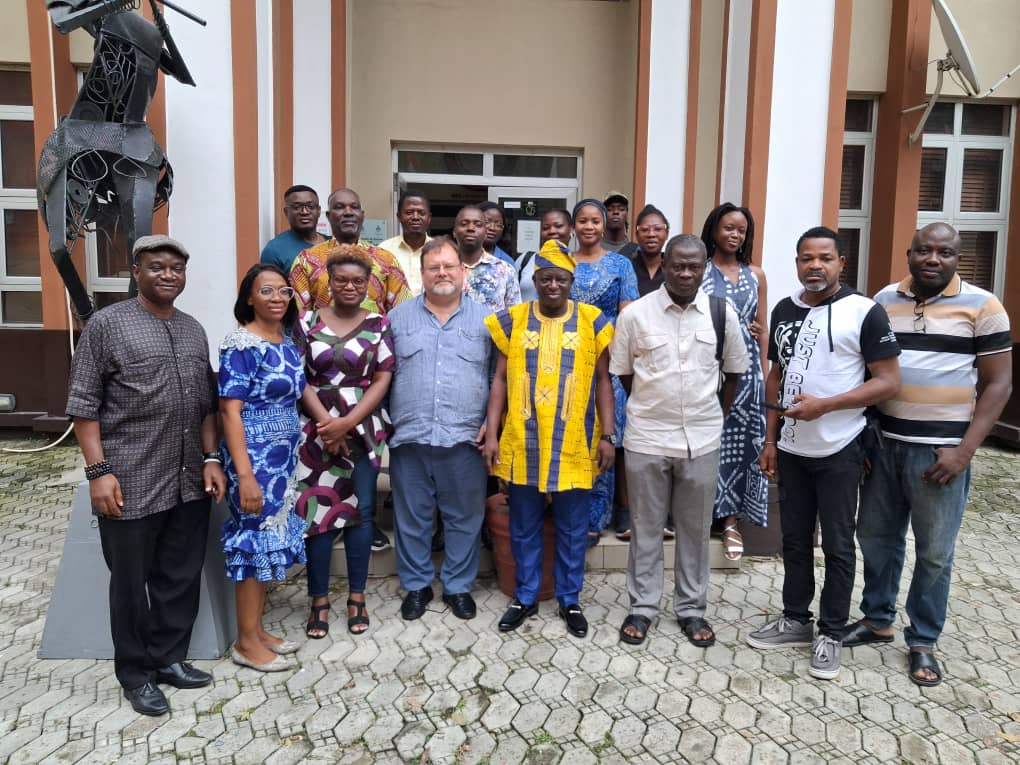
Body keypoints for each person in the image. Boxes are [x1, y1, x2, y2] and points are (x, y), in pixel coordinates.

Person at [846, 222, 1012, 686]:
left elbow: (999, 384)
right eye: (924, 250)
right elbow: (867, 371)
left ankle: (923, 639)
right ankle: (877, 619)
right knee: (876, 538)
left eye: (944, 252)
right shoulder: (883, 301)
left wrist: (964, 452)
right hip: (884, 445)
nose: (933, 259)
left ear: (958, 257)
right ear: (909, 253)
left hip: (941, 455)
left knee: (935, 552)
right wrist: (864, 437)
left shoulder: (984, 306)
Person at [65, 235, 225, 716]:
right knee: (131, 585)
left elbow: (207, 405)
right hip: (130, 479)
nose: (168, 275)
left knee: (179, 575)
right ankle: (136, 675)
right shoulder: (107, 325)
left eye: (177, 268)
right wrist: (98, 472)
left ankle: (169, 658)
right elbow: (84, 404)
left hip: (188, 479)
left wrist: (212, 458)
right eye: (157, 267)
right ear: (136, 271)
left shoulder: (193, 330)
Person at [748, 226, 901, 681]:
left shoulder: (865, 311)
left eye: (824, 258)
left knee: (837, 544)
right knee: (794, 540)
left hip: (840, 447)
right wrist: (770, 439)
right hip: (792, 448)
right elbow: (776, 374)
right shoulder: (784, 308)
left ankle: (831, 632)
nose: (814, 266)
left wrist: (826, 406)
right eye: (806, 258)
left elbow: (888, 381)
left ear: (841, 263)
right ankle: (796, 618)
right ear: (797, 262)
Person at [612, 235, 748, 646]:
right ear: (665, 265)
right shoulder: (635, 315)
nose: (686, 273)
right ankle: (642, 607)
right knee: (646, 527)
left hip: (702, 439)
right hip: (647, 437)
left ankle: (691, 609)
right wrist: (656, 404)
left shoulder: (722, 313)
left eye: (694, 266)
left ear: (705, 268)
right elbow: (625, 374)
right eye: (678, 266)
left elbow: (734, 372)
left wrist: (713, 415)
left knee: (694, 529)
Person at [483, 239, 616, 639]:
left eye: (560, 279)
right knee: (523, 524)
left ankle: (569, 598)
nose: (553, 285)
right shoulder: (513, 320)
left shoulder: (593, 321)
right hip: (523, 439)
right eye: (545, 279)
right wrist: (492, 433)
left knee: (573, 527)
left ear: (571, 281)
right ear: (535, 281)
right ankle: (524, 596)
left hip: (575, 441)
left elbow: (603, 381)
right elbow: (500, 379)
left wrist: (608, 435)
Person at [387, 237, 493, 621]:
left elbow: (498, 377)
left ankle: (458, 586)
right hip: (410, 437)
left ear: (463, 272)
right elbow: (382, 375)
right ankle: (417, 585)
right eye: (434, 268)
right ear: (423, 274)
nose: (442, 273)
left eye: (449, 266)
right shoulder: (396, 319)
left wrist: (491, 424)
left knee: (464, 517)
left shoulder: (488, 321)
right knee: (411, 518)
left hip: (465, 437)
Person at [293, 246, 395, 637]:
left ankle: (357, 597)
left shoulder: (379, 323)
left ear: (368, 284)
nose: (350, 286)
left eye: (358, 281)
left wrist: (348, 423)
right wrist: (327, 425)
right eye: (341, 280)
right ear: (328, 282)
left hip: (363, 430)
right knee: (317, 515)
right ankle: (318, 600)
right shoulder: (305, 321)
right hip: (315, 429)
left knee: (362, 512)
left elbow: (383, 377)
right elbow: (299, 377)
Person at [218, 264, 308, 672]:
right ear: (249, 298)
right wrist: (245, 476)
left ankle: (256, 631)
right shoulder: (241, 343)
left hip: (281, 460)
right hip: (253, 459)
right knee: (253, 543)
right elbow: (229, 410)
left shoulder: (285, 339)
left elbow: (298, 394)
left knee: (268, 540)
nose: (277, 298)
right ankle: (245, 642)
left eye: (283, 291)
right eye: (266, 291)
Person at [699, 203, 769, 561]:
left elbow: (762, 328)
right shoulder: (698, 270)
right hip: (709, 369)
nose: (735, 235)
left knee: (741, 446)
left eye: (741, 230)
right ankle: (699, 516)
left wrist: (765, 376)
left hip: (748, 374)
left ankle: (730, 522)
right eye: (728, 228)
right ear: (714, 230)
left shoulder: (756, 275)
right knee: (706, 443)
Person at [570, 198, 639, 545]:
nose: (589, 227)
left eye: (595, 221)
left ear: (603, 224)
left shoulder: (621, 264)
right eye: (582, 221)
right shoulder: (563, 262)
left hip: (609, 361)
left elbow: (628, 315)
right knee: (573, 434)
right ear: (574, 226)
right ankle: (571, 512)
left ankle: (598, 516)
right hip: (567, 361)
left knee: (606, 435)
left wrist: (614, 351)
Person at [290, 187, 411, 315]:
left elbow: (403, 313)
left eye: (354, 207)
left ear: (362, 215)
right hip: (323, 328)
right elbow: (298, 316)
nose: (348, 212)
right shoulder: (306, 260)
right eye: (339, 207)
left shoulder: (387, 260)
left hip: (376, 328)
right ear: (328, 216)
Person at [452, 205, 522, 312]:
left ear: (485, 233)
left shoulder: (505, 271)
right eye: (464, 224)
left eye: (478, 224)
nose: (471, 228)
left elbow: (516, 315)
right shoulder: (440, 268)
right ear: (454, 231)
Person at [259, 185, 327, 274]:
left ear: (318, 211)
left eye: (310, 206)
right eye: (296, 207)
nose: (304, 212)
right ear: (286, 212)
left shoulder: (332, 243)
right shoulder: (274, 250)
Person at [378, 191, 433, 296]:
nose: (415, 217)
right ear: (399, 216)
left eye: (421, 213)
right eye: (409, 212)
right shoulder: (384, 250)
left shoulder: (440, 250)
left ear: (429, 218)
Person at [516, 208, 573, 303]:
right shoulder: (525, 260)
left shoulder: (576, 263)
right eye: (546, 228)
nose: (552, 231)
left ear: (571, 229)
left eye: (558, 226)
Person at [630, 204, 669, 298]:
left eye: (658, 229)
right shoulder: (627, 268)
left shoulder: (673, 269)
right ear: (636, 235)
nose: (651, 234)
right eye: (645, 230)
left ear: (667, 234)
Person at [601, 191, 639, 258]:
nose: (616, 212)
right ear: (603, 215)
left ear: (627, 215)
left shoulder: (636, 251)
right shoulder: (593, 248)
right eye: (609, 209)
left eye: (621, 209)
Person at [478, 201, 516, 266]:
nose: (492, 228)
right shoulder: (461, 255)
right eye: (487, 222)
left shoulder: (507, 262)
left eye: (498, 225)